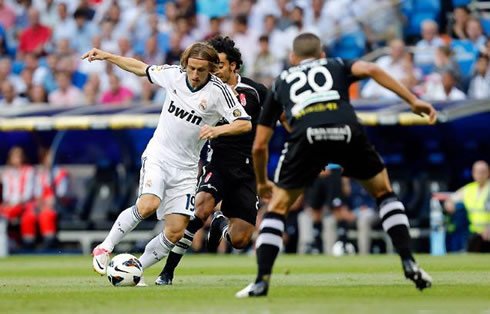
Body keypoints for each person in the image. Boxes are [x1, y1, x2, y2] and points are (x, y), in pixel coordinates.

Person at [236, 33, 436, 298]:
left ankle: (261, 281)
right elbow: (373, 68)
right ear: (321, 56)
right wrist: (413, 100)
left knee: (279, 209)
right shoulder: (336, 64)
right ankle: (409, 261)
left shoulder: (280, 81)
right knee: (384, 193)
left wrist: (262, 182)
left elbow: (260, 145)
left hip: (305, 137)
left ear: (293, 59)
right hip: (347, 132)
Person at [82, 42, 252, 282]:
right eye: (191, 68)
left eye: (201, 70)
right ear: (185, 65)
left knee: (175, 232)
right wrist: (108, 56)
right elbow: (140, 68)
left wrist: (218, 131)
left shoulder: (219, 92)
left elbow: (245, 123)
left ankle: (133, 270)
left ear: (211, 69)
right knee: (148, 204)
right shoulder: (173, 75)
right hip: (159, 156)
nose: (194, 74)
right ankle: (105, 247)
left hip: (186, 169)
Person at [155, 36, 267, 286]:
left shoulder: (255, 91)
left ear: (234, 66)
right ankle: (167, 272)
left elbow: (281, 115)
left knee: (240, 240)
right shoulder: (207, 90)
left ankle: (222, 225)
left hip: (247, 170)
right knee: (201, 208)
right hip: (216, 162)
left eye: (220, 65)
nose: (215, 70)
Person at [444, 161, 490, 252]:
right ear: (473, 173)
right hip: (474, 235)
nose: (480, 174)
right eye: (477, 172)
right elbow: (450, 199)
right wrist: (449, 203)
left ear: (488, 172)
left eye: (482, 171)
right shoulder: (469, 189)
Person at [0, 147, 35, 248]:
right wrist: (7, 202)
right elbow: (6, 193)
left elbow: (28, 193)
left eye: (18, 157)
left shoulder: (29, 170)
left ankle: (25, 243)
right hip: (10, 204)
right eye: (14, 157)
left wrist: (16, 203)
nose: (16, 159)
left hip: (24, 204)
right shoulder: (7, 172)